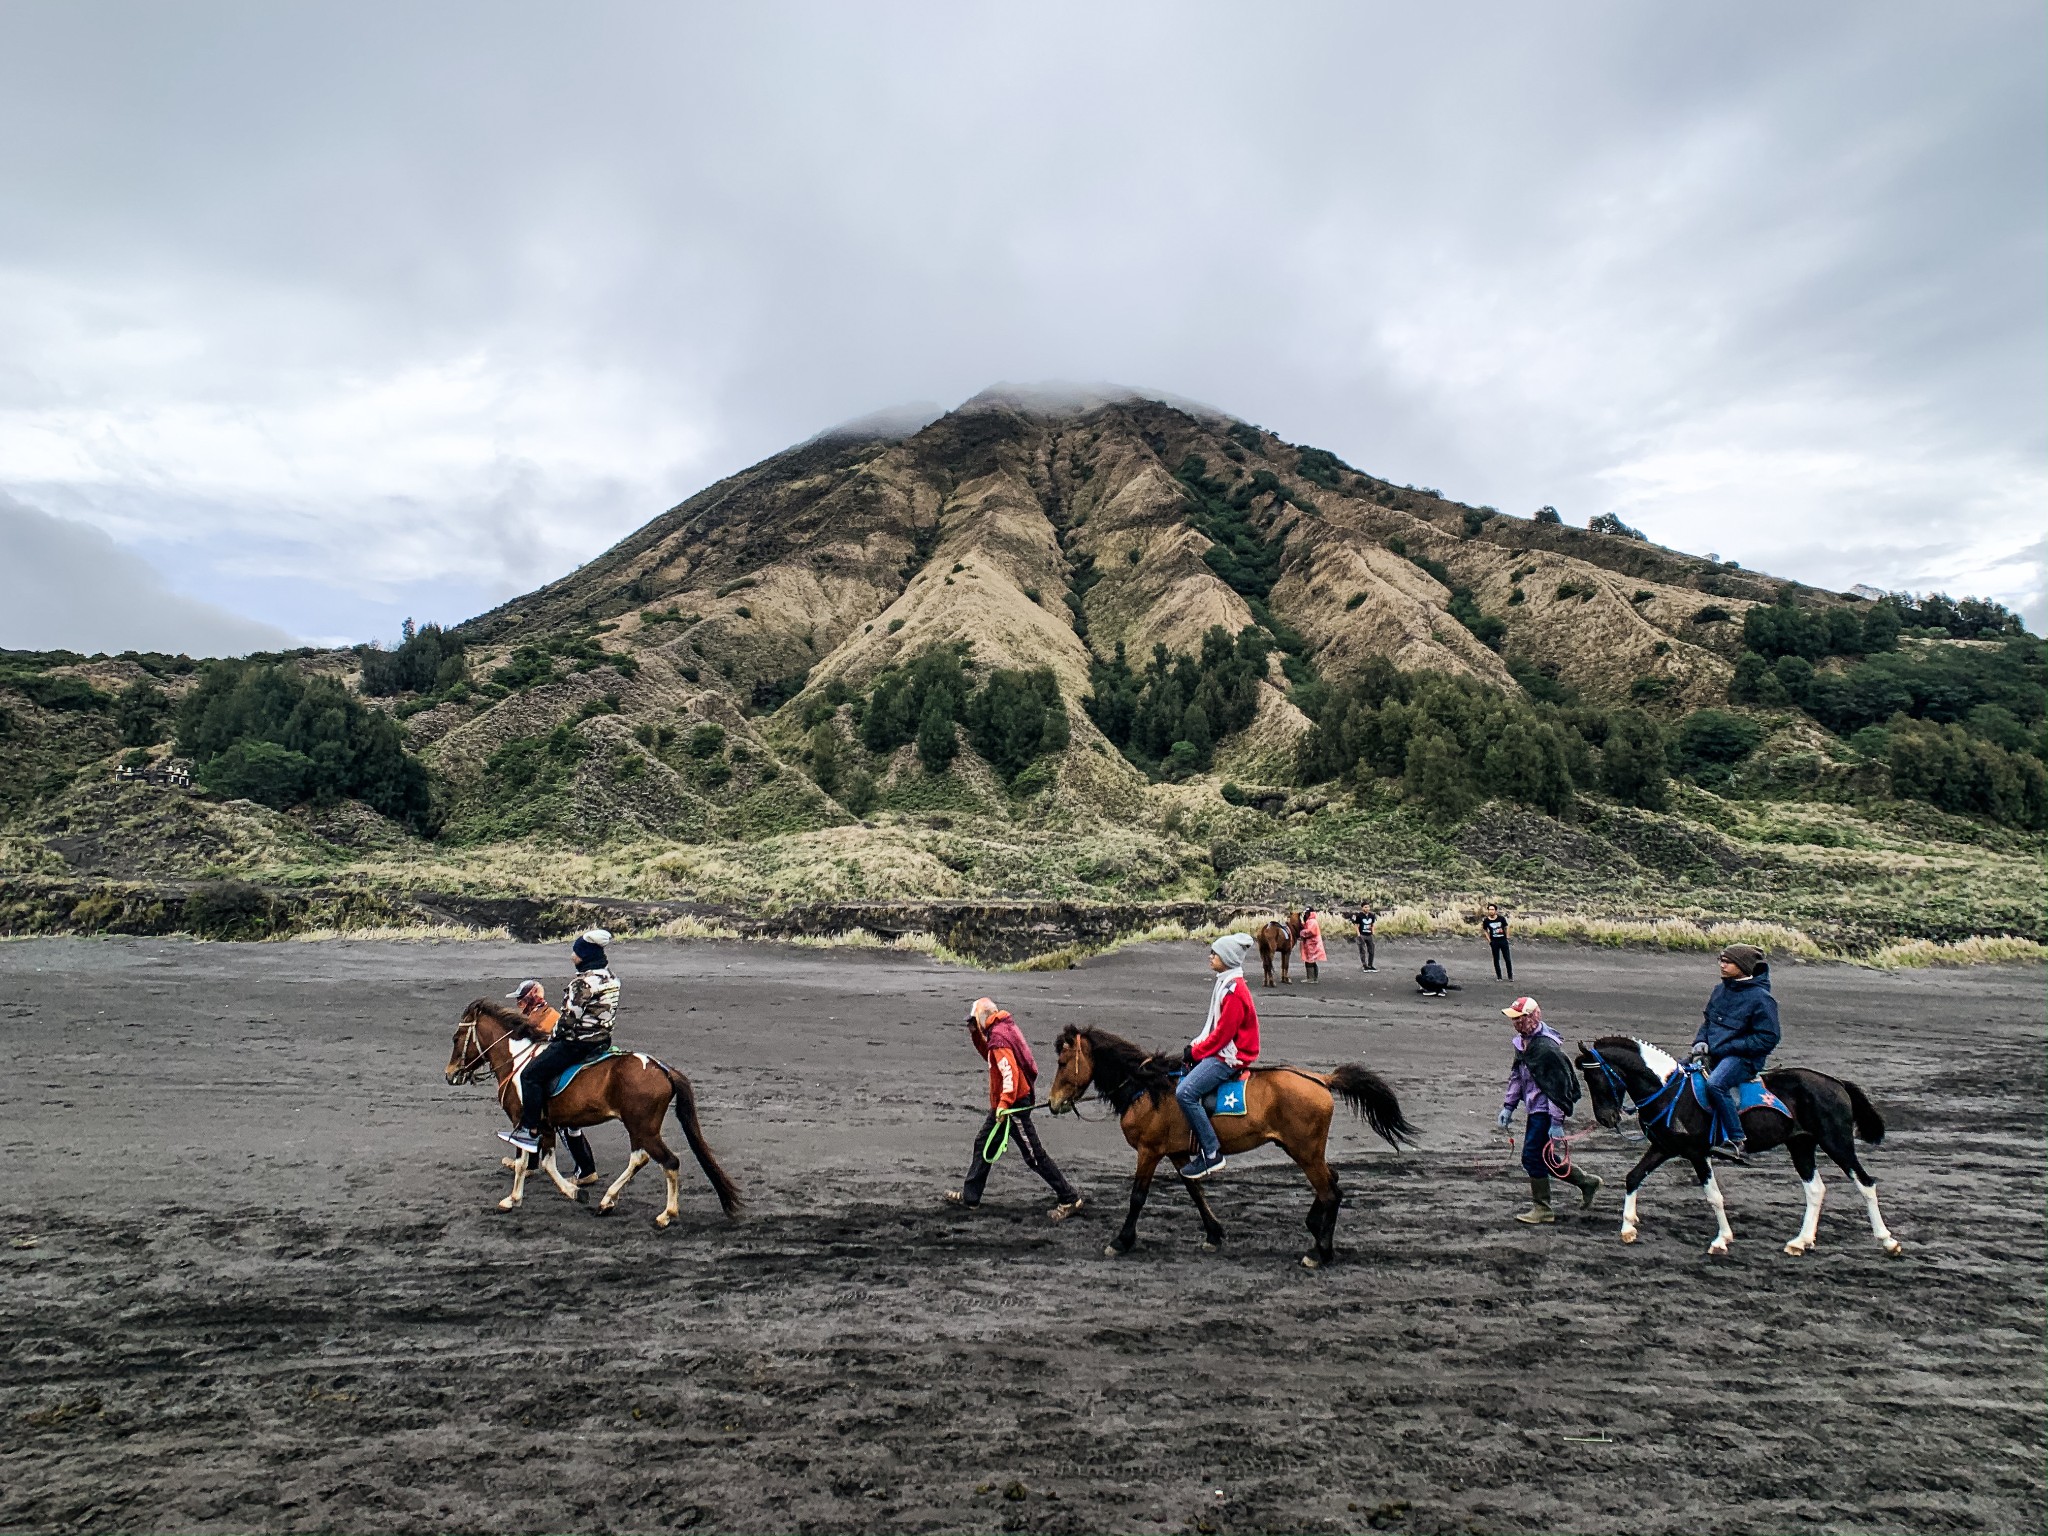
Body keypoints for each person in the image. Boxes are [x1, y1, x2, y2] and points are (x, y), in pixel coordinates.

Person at [947, 997, 1085, 1219]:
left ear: (983, 1016)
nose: (975, 1024)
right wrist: (975, 1034)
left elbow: (1009, 1073)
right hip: (1008, 1103)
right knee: (984, 1144)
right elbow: (992, 1058)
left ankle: (1069, 1198)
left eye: (975, 1020)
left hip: (1012, 1105)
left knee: (1034, 1155)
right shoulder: (1002, 1029)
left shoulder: (999, 1037)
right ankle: (970, 1198)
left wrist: (1003, 1105)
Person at [501, 929, 619, 1155]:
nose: (572, 957)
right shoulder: (611, 978)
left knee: (530, 1075)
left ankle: (530, 1130)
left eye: (575, 952)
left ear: (585, 955)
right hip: (602, 1042)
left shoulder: (582, 983)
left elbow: (568, 1021)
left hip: (577, 1044)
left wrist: (551, 1037)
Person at [1496, 996, 1601, 1224]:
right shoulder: (1523, 1044)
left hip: (1544, 1111)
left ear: (1531, 1018)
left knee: (1532, 1157)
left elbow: (1557, 1090)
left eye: (1519, 1018)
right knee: (1545, 1158)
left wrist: (1556, 1122)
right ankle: (1586, 1182)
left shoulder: (1546, 1050)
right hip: (1535, 1109)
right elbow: (1517, 1077)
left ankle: (1542, 1208)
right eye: (1513, 1019)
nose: (1515, 1023)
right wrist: (1509, 1105)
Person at [1175, 934, 1261, 1180]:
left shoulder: (1233, 992)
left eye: (1215, 953)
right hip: (1226, 1050)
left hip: (1231, 1056)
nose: (1210, 957)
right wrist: (1195, 1046)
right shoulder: (1226, 983)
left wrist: (1196, 1051)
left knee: (1185, 1093)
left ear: (1228, 958)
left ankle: (1212, 1152)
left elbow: (1223, 1035)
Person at [1691, 943, 1781, 1159]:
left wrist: (1727, 1047)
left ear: (1743, 966)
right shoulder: (1720, 990)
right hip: (1713, 1053)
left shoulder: (1761, 998)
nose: (1722, 965)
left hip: (1743, 1060)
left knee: (1716, 1085)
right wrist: (1700, 1041)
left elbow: (1768, 1038)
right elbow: (1708, 1022)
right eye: (1721, 960)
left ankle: (1736, 1140)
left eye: (1728, 962)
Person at [506, 979, 599, 1185]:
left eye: (521, 1001)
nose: (519, 1005)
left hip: (558, 1070)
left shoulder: (550, 1018)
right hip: (551, 1067)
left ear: (532, 998)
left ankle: (587, 1169)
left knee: (564, 1125)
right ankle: (529, 1164)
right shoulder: (536, 1015)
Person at [1482, 904, 1512, 981]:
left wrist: (1507, 936)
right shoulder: (1486, 920)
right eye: (1490, 909)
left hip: (1503, 940)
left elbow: (1506, 927)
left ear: (1495, 911)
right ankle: (1499, 976)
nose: (1491, 911)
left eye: (1492, 909)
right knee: (1496, 959)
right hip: (1494, 941)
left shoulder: (1501, 918)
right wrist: (1489, 941)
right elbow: (1485, 930)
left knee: (1507, 959)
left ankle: (1510, 976)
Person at [1298, 907, 1326, 983]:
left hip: (1312, 944)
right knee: (1312, 960)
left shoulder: (1312, 921)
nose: (1306, 914)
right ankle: (1314, 978)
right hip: (1312, 943)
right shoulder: (1311, 921)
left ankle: (1311, 978)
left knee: (1310, 960)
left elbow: (1310, 931)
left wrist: (1301, 933)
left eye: (1307, 913)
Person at [1354, 902, 1378, 971]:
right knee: (1362, 951)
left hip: (1369, 935)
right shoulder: (1359, 916)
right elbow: (1356, 925)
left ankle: (1370, 965)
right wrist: (1358, 934)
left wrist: (1373, 932)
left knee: (1371, 950)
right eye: (1365, 907)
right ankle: (1364, 965)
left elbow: (1372, 924)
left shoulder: (1371, 915)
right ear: (1362, 908)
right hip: (1362, 934)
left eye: (1368, 907)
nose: (1367, 908)